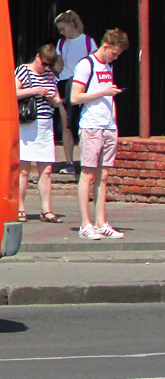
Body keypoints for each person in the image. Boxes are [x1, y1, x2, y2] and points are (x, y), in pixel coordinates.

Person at [74, 28, 129, 240]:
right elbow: (75, 97)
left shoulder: (107, 66)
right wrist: (104, 92)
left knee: (103, 175)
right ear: (105, 46)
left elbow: (109, 97)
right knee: (87, 173)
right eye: (114, 53)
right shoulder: (86, 65)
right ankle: (84, 224)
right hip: (91, 124)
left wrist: (113, 122)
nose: (115, 57)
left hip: (108, 125)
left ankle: (100, 221)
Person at [16, 45, 63, 223]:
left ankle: (46, 209)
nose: (46, 68)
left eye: (50, 65)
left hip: (45, 124)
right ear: (37, 57)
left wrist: (52, 98)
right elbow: (13, 92)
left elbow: (58, 101)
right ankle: (20, 208)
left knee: (46, 169)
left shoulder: (50, 75)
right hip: (28, 123)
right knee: (24, 170)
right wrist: (35, 91)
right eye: (44, 64)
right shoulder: (23, 71)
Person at [53, 10, 96, 175]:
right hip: (64, 83)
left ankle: (86, 161)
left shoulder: (87, 41)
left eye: (63, 28)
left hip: (82, 83)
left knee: (82, 123)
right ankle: (69, 161)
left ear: (72, 25)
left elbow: (94, 62)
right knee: (66, 124)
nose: (61, 32)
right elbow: (59, 66)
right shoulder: (61, 44)